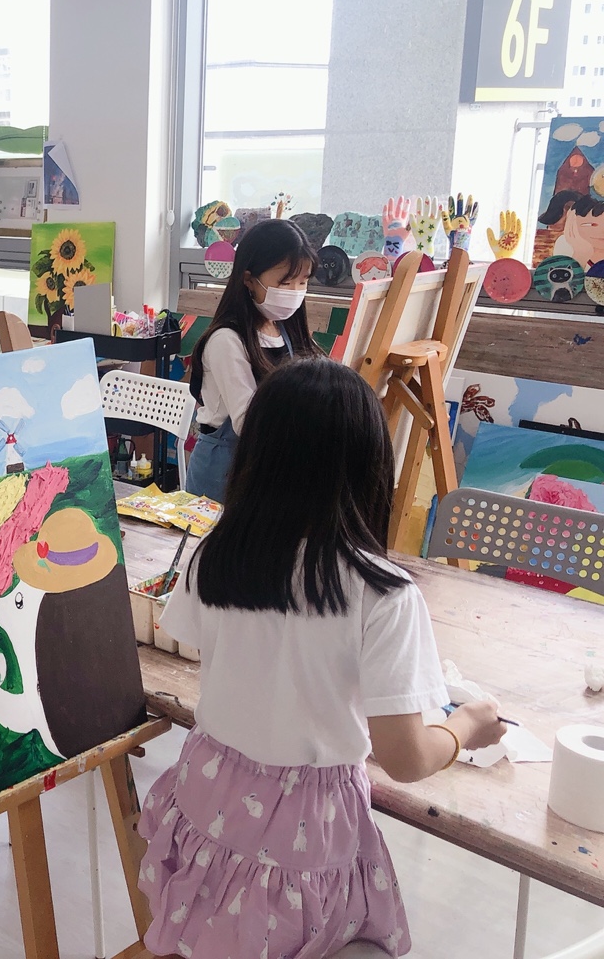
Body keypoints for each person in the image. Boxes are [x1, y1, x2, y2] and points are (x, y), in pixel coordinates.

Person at [139, 358, 507, 959]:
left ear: (254, 458)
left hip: (207, 788)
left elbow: (227, 656)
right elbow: (405, 758)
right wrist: (468, 725)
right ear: (371, 468)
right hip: (304, 827)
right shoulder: (384, 593)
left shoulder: (215, 555)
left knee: (218, 928)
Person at [186, 218, 321, 502]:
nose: (295, 292)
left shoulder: (285, 330)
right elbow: (247, 422)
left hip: (267, 466)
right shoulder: (226, 340)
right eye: (285, 282)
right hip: (224, 469)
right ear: (248, 279)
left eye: (303, 282)